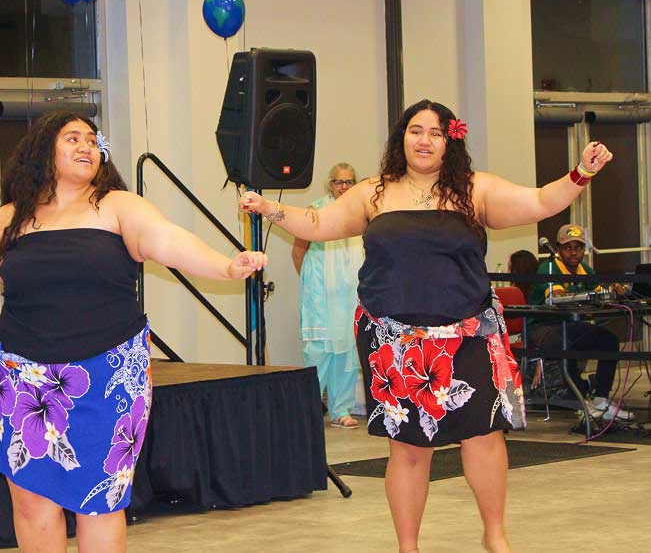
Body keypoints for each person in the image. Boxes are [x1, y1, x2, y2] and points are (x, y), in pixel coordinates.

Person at [0, 111, 267, 553]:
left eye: (92, 140)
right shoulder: (10, 219)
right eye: (72, 138)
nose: (85, 147)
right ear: (43, 151)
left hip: (108, 376)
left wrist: (226, 266)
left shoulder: (117, 207)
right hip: (24, 379)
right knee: (32, 501)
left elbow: (170, 241)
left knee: (99, 500)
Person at [240, 98, 613, 553]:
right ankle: (408, 547)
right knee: (410, 447)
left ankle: (495, 536)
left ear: (449, 140)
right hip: (393, 339)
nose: (424, 140)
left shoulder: (474, 190)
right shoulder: (373, 192)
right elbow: (318, 223)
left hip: (468, 333)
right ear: (402, 137)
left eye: (435, 132)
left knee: (484, 435)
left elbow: (539, 201)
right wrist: (270, 209)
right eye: (416, 130)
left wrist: (581, 172)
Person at [528, 224, 633, 421]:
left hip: (571, 324)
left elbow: (598, 290)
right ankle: (580, 401)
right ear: (558, 249)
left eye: (578, 248)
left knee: (608, 341)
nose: (574, 253)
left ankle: (600, 399)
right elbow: (559, 297)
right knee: (563, 342)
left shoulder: (585, 269)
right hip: (544, 327)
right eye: (568, 248)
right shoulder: (548, 267)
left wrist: (614, 290)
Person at [291, 163, 364, 429]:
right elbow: (299, 252)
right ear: (330, 185)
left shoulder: (362, 213)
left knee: (347, 352)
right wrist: (312, 285)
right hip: (321, 297)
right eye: (339, 182)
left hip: (350, 296)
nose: (344, 187)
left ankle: (341, 410)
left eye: (349, 182)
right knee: (318, 351)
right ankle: (308, 410)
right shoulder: (316, 211)